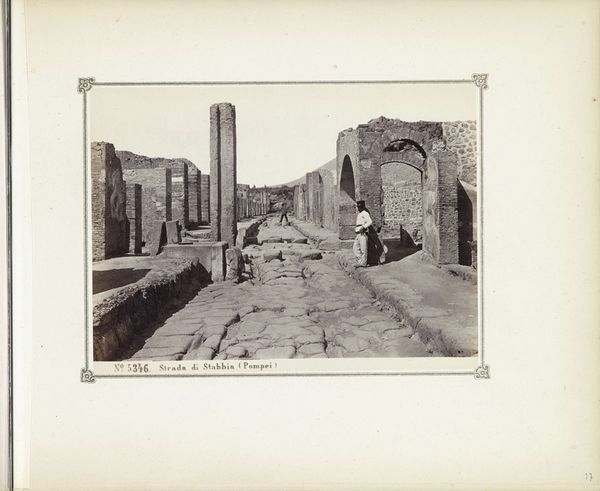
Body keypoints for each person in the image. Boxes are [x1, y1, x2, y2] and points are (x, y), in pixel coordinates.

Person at [353, 200, 372, 267]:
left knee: (363, 249)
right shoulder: (360, 214)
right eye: (358, 207)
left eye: (360, 207)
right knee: (355, 248)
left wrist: (364, 227)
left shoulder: (365, 213)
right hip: (358, 234)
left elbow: (370, 222)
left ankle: (363, 263)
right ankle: (360, 261)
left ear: (363, 207)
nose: (359, 208)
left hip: (362, 233)